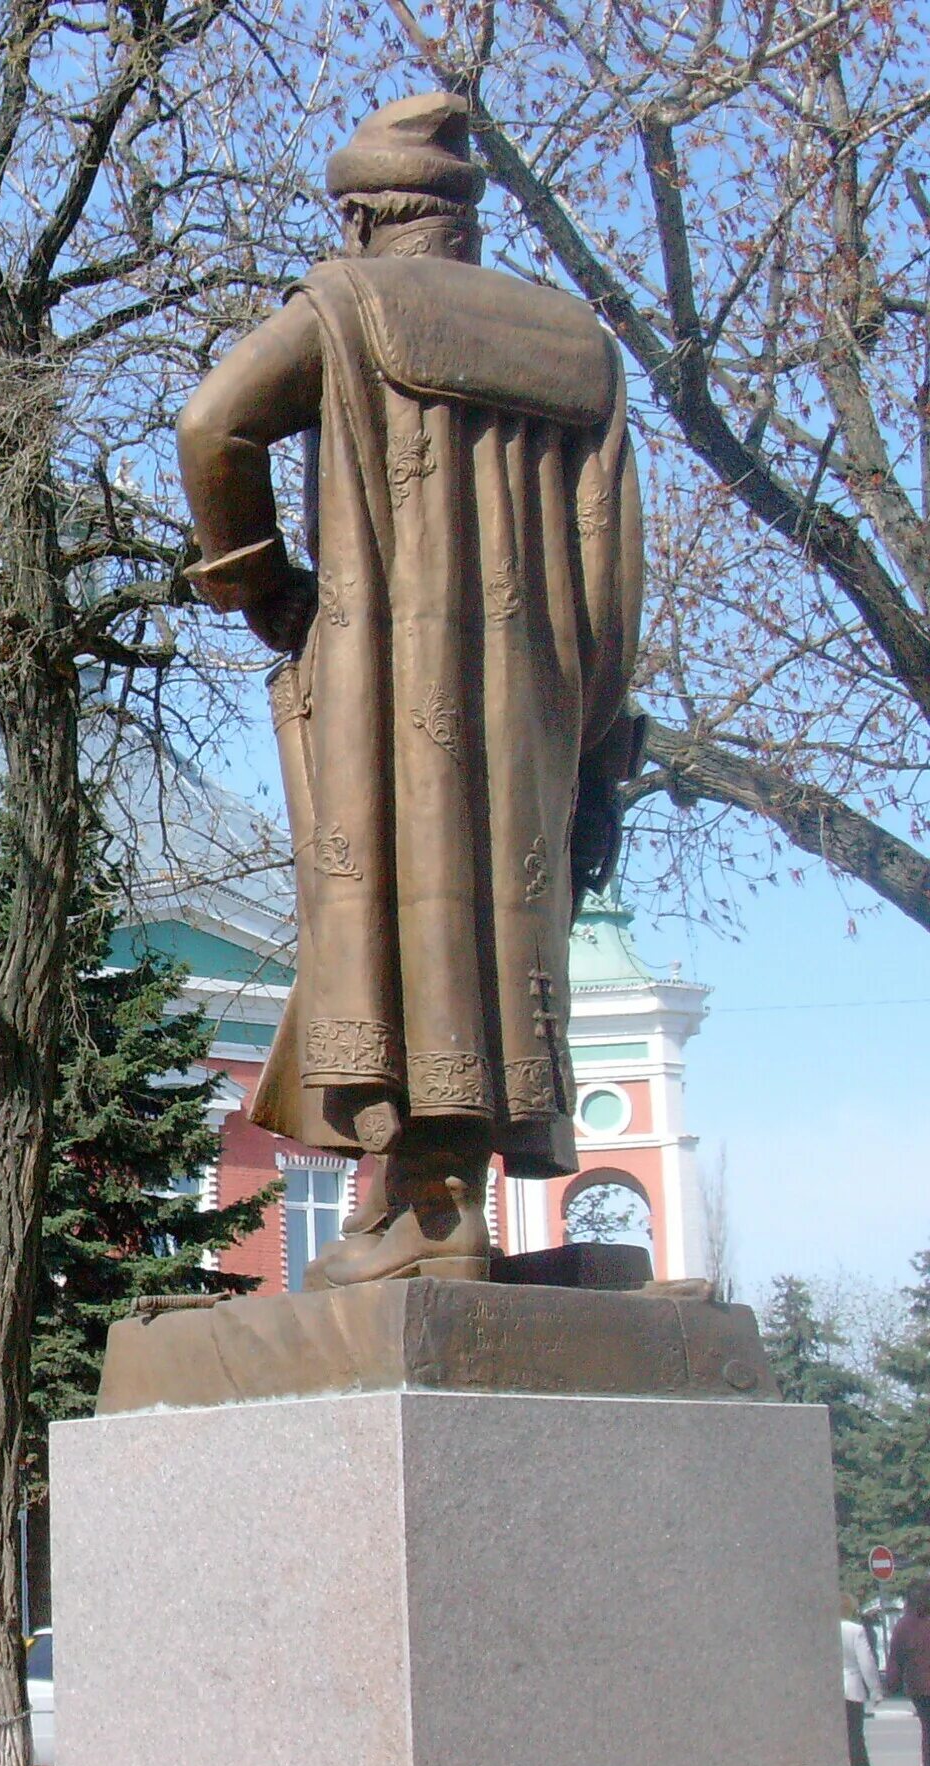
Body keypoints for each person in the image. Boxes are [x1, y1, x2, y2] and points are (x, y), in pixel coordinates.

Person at [176, 93, 644, 1285]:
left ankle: (431, 1211)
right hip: (533, 703)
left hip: (384, 684)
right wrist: (592, 742)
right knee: (500, 929)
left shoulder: (345, 304)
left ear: (363, 214)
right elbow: (613, 570)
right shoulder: (578, 347)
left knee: (382, 918)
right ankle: (444, 1204)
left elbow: (213, 425)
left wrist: (266, 584)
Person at [887, 1582, 930, 1766]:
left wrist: (892, 1684)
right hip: (920, 1687)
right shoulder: (907, 1625)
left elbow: (895, 1657)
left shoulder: (904, 1625)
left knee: (928, 1727)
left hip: (919, 1687)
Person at [844, 1595, 884, 1766]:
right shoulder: (855, 1630)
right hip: (851, 1688)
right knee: (855, 1735)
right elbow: (866, 1662)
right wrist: (875, 1690)